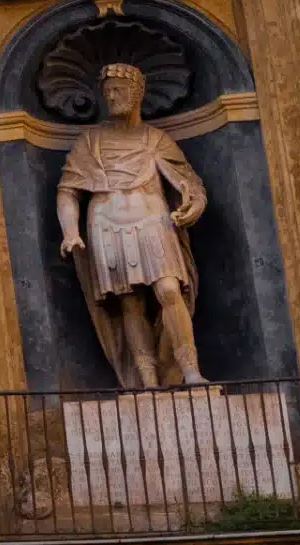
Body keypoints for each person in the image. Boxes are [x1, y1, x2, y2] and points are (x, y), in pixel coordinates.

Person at [56, 60, 208, 389]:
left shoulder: (155, 139)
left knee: (169, 289)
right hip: (105, 222)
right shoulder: (90, 142)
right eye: (107, 91)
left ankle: (190, 370)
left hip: (151, 216)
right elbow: (67, 191)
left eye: (119, 90)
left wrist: (192, 207)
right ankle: (146, 380)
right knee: (130, 302)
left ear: (137, 93)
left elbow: (190, 185)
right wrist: (70, 232)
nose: (112, 96)